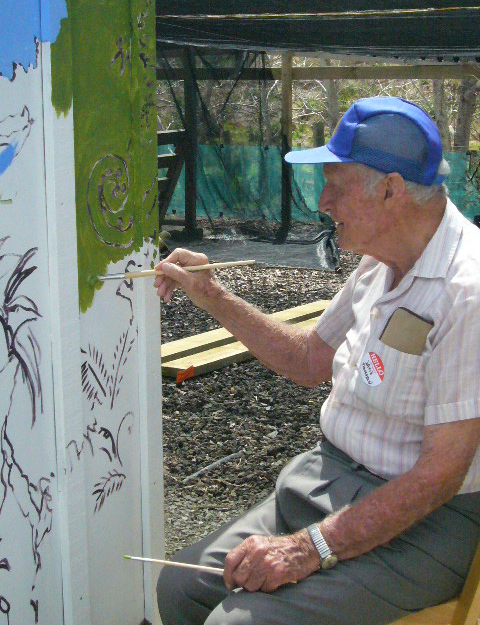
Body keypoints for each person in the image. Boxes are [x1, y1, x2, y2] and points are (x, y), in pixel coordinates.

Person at [154, 97, 480, 625]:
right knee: (180, 587)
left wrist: (310, 548)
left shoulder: (467, 292)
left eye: (336, 186)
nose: (323, 203)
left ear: (391, 189)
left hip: (421, 523)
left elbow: (441, 475)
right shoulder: (380, 260)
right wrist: (210, 293)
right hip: (325, 480)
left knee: (236, 622)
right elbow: (307, 359)